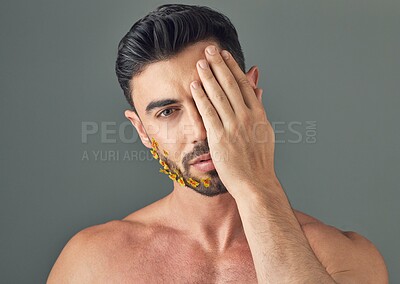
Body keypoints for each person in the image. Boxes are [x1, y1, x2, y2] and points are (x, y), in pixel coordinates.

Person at [47, 4, 388, 283]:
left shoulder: (340, 258)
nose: (199, 130)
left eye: (213, 96)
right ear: (142, 131)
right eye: (167, 112)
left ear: (250, 92)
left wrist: (256, 187)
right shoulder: (92, 264)